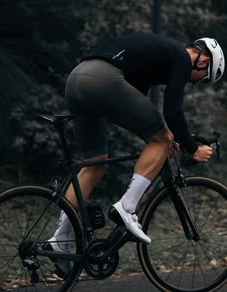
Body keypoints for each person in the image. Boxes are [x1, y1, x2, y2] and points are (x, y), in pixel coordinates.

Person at [47, 32, 225, 274]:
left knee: (94, 165)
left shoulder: (156, 58)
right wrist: (192, 149)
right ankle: (127, 208)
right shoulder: (182, 59)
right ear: (203, 61)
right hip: (103, 79)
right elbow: (172, 112)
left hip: (77, 80)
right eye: (201, 78)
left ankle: (60, 238)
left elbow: (139, 113)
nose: (194, 82)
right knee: (162, 139)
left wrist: (173, 138)